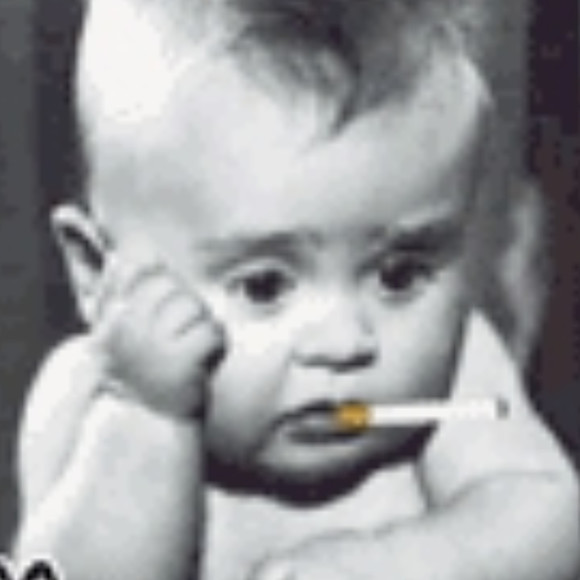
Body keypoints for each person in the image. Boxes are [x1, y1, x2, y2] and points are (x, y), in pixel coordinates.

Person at [14, 0, 579, 579]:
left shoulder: (459, 373)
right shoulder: (87, 400)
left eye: (399, 275)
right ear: (95, 271)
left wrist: (384, 567)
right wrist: (147, 418)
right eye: (264, 286)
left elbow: (551, 528)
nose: (344, 342)